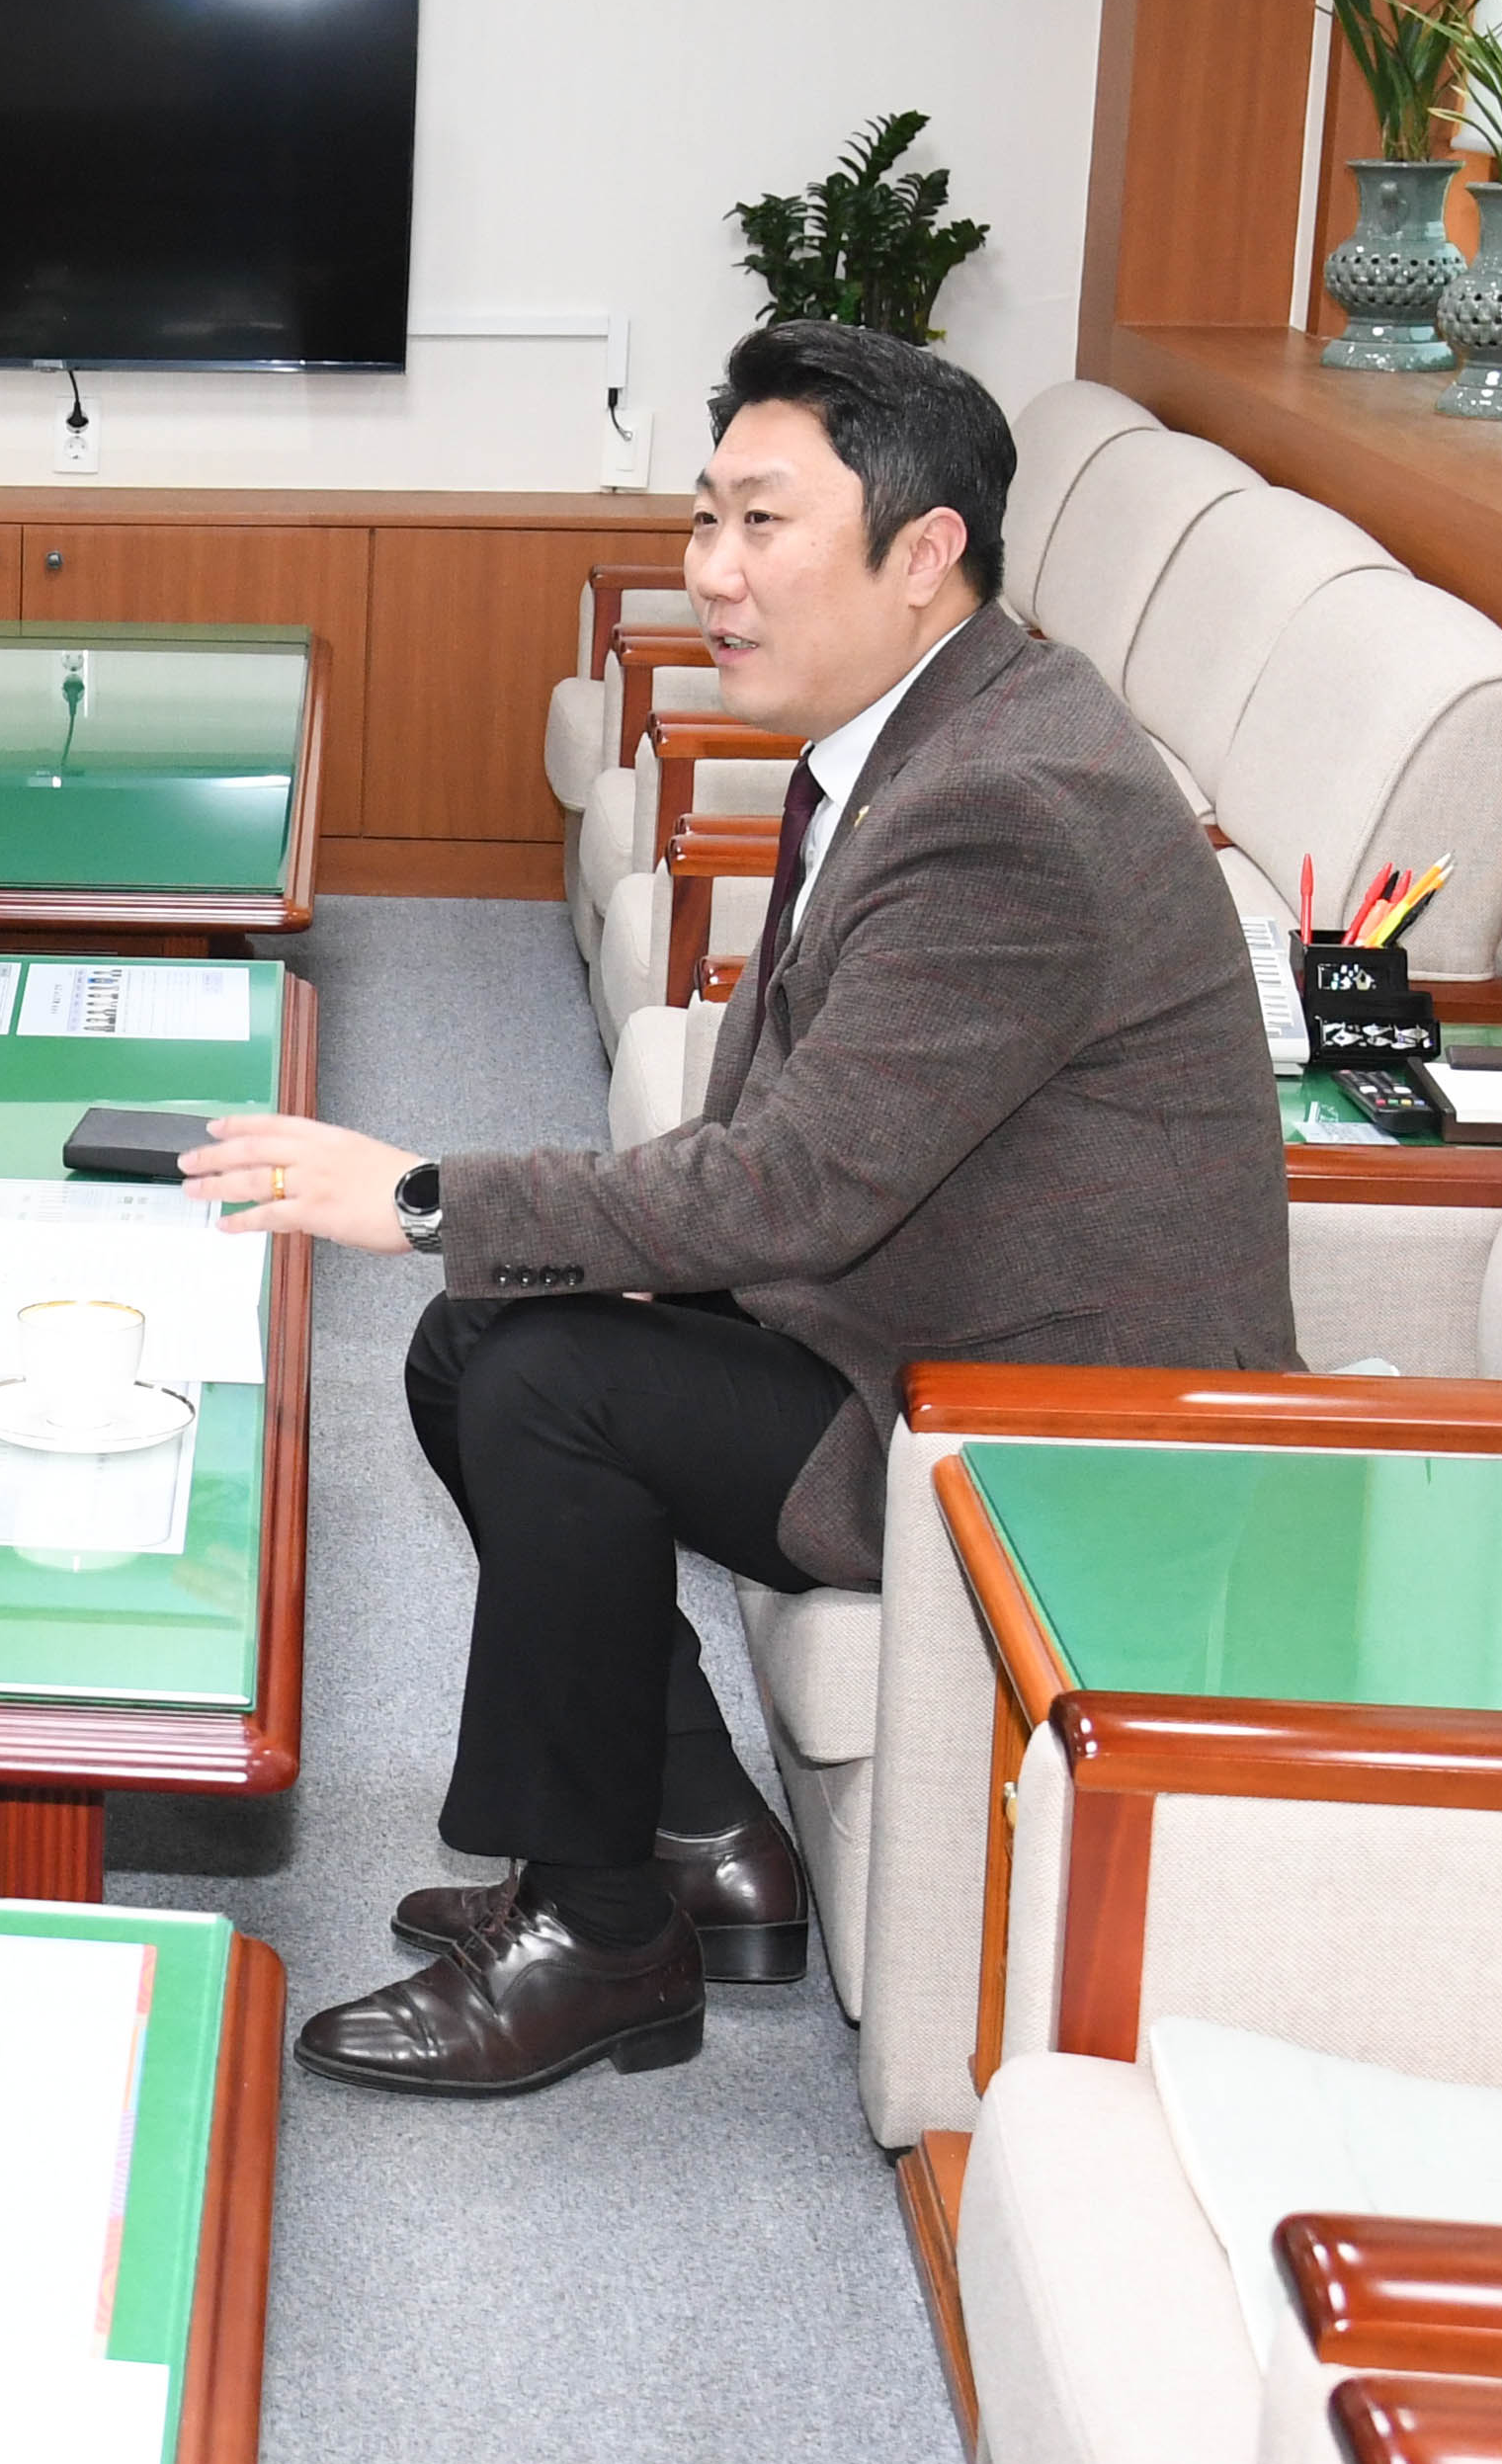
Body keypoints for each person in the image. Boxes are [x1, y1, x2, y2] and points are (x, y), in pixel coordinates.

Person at [187, 322, 1293, 2096]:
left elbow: (790, 1182)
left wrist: (409, 1190)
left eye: (759, 523)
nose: (706, 569)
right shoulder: (914, 724)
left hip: (1041, 1433)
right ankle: (699, 1834)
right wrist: (535, 1240)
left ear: (921, 555)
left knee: (541, 1374)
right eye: (702, 518)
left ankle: (601, 1937)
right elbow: (781, 1133)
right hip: (910, 1323)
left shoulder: (1005, 803)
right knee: (478, 1343)